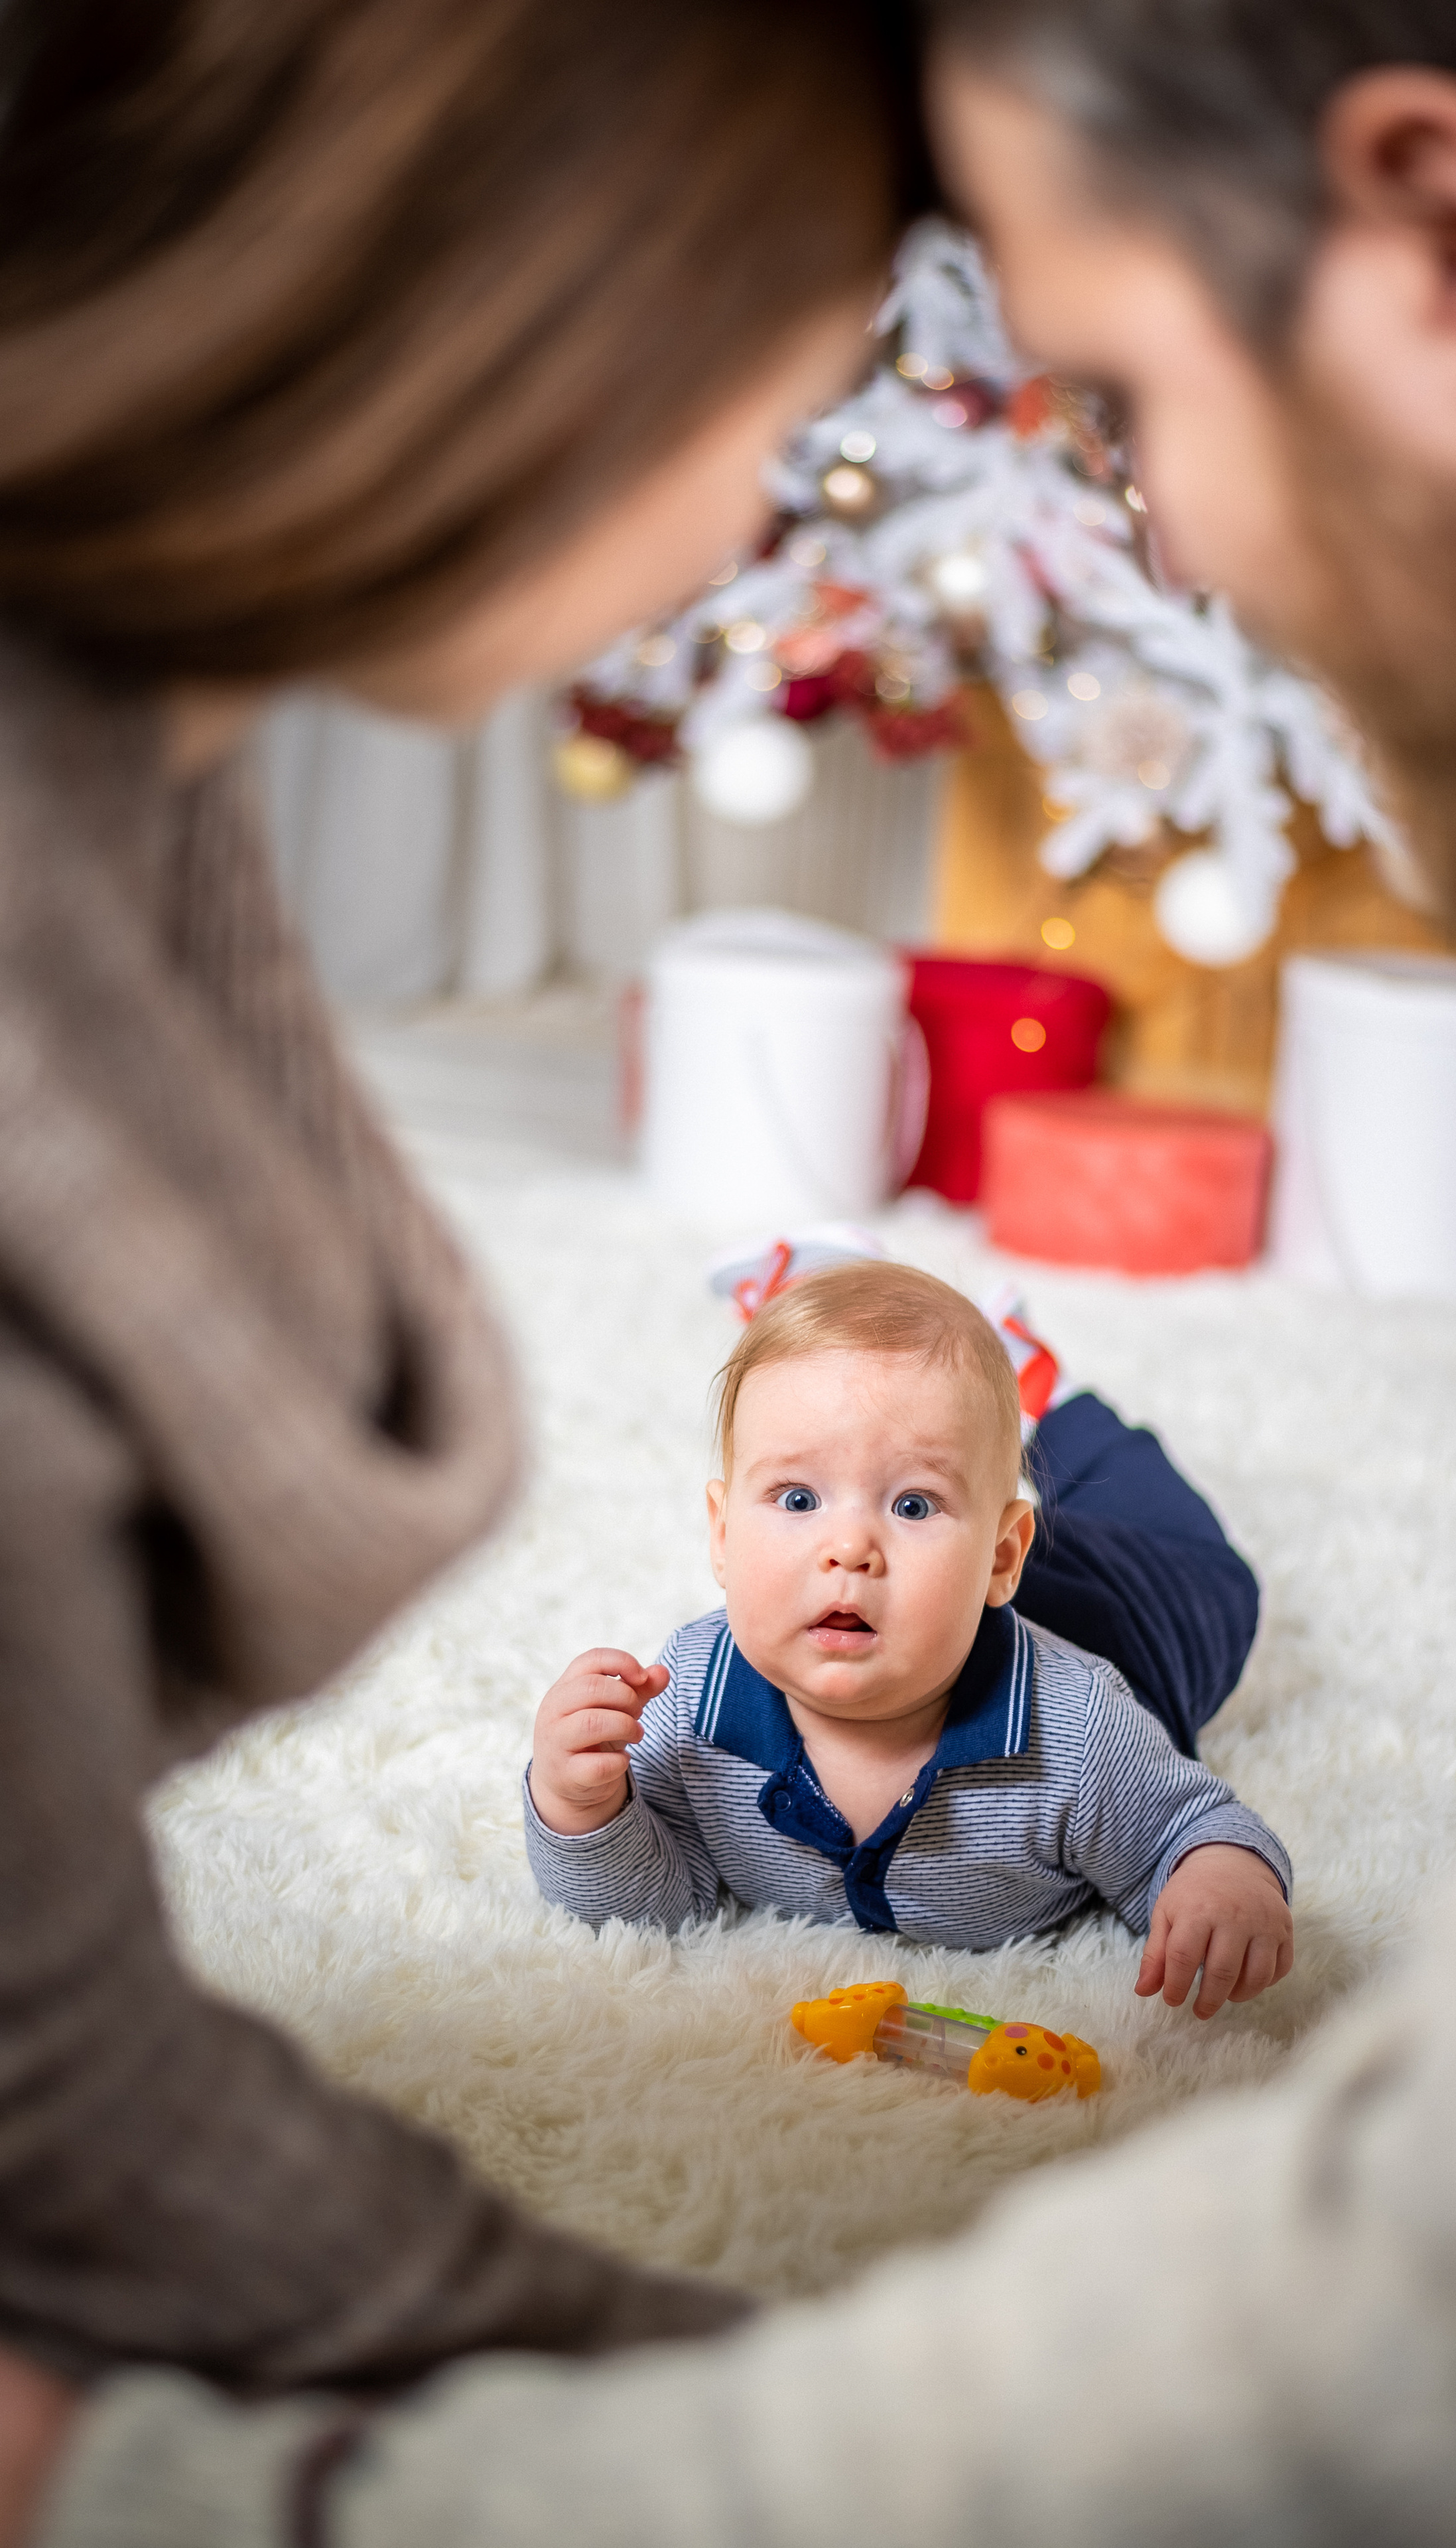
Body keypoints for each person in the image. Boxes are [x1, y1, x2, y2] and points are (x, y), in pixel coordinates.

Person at [15, 1, 1456, 2541]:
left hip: (1099, 1581)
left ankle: (1057, 1428)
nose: (1156, 552)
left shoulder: (1059, 1684)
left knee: (1140, 1553)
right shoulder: (695, 1666)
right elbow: (596, 1869)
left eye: (1115, 398)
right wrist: (589, 1797)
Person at [0, 0, 928, 2418]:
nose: (760, 520)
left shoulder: (130, 787)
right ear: (541, 338)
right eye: (775, 423)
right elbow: (68, 2102)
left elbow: (1150, 1811)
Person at [525, 1260, 1290, 2009]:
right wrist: (583, 1808)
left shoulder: (1080, 1733)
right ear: (722, 1535)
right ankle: (963, 1427)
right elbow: (652, 1910)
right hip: (960, 1600)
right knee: (938, 1442)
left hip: (1131, 1608)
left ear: (1000, 1556)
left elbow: (1190, 1823)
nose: (849, 1548)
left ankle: (1046, 1398)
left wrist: (1217, 1874)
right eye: (797, 1498)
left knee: (1208, 1564)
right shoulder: (689, 1702)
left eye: (913, 1505)